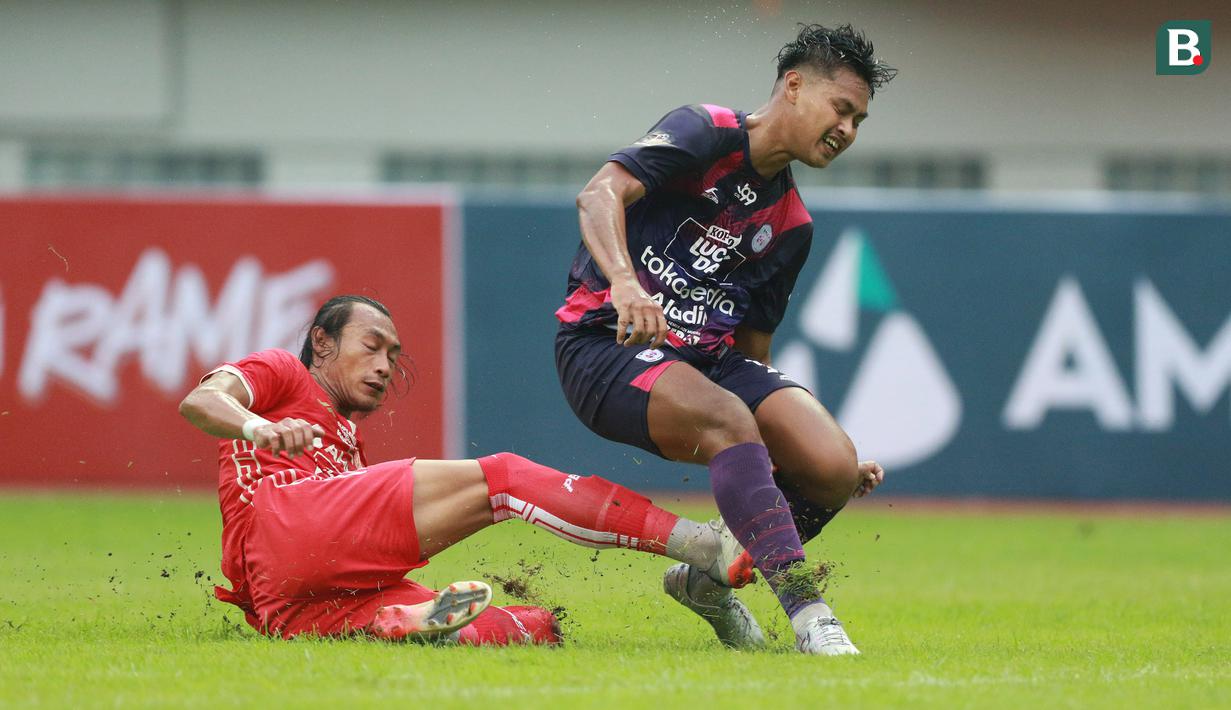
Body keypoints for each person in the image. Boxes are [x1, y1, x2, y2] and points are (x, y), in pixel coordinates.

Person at [556, 24, 895, 655]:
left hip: (707, 363)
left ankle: (706, 580)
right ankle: (809, 614)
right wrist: (626, 284)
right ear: (793, 87)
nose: (848, 130)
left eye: (860, 121)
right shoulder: (704, 131)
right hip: (605, 342)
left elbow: (752, 356)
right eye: (841, 109)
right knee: (730, 418)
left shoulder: (792, 225)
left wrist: (808, 457)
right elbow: (599, 192)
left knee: (830, 468)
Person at [180, 295, 756, 645]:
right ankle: (701, 545)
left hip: (288, 603)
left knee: (531, 627)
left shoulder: (346, 446)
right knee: (504, 477)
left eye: (393, 356)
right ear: (321, 343)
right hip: (286, 524)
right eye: (371, 346)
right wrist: (257, 427)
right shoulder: (283, 370)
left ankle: (398, 625)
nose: (384, 367)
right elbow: (201, 402)